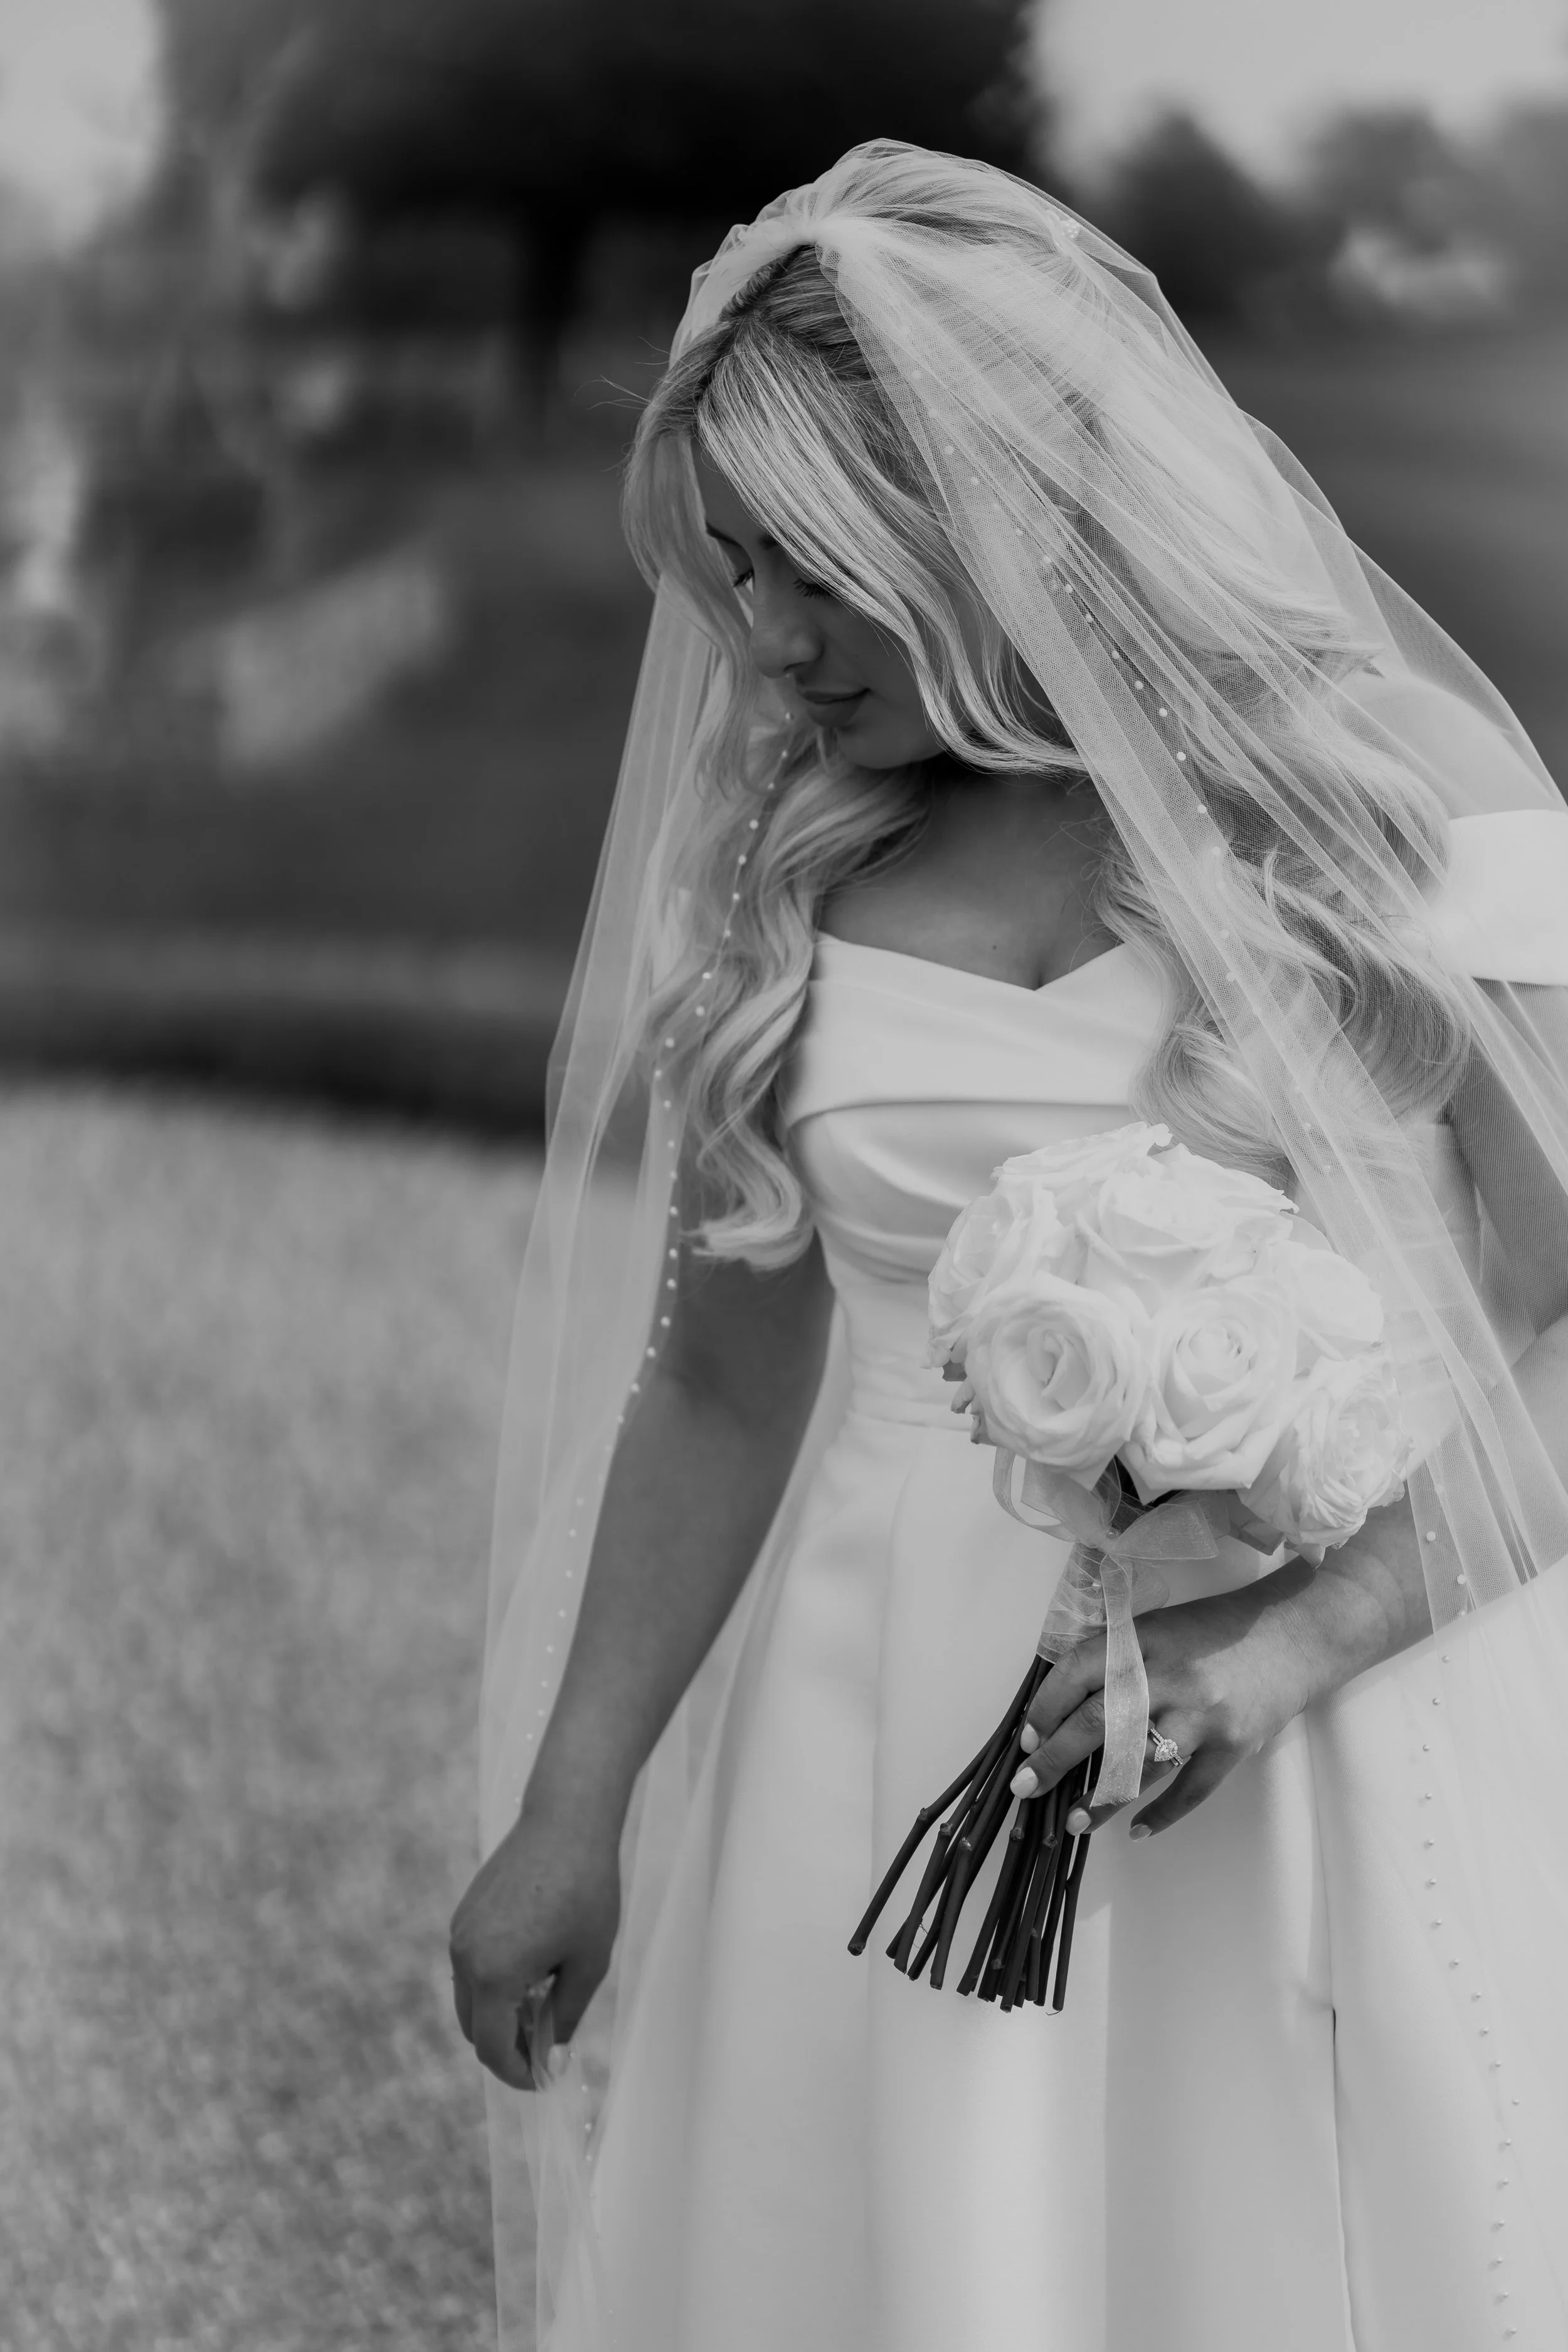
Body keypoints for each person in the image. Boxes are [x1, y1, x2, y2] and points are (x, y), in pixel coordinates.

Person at [449, 144, 1568, 2352]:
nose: (765, 640)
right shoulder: (789, 853)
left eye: (816, 566)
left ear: (990, 508)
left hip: (1307, 1730)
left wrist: (1288, 1640)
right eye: (734, 570)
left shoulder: (1395, 801)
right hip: (863, 1740)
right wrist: (570, 1805)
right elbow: (721, 1374)